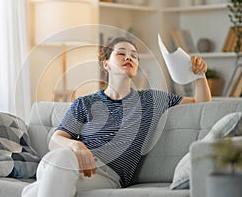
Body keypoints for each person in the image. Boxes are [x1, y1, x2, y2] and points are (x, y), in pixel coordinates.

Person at [22, 37, 211, 197]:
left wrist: (199, 75)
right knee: (58, 159)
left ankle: (35, 190)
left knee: (52, 173)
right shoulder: (84, 103)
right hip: (70, 161)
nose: (129, 56)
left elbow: (201, 104)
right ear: (106, 64)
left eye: (134, 56)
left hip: (105, 175)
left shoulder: (152, 99)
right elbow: (56, 140)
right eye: (121, 53)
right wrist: (76, 145)